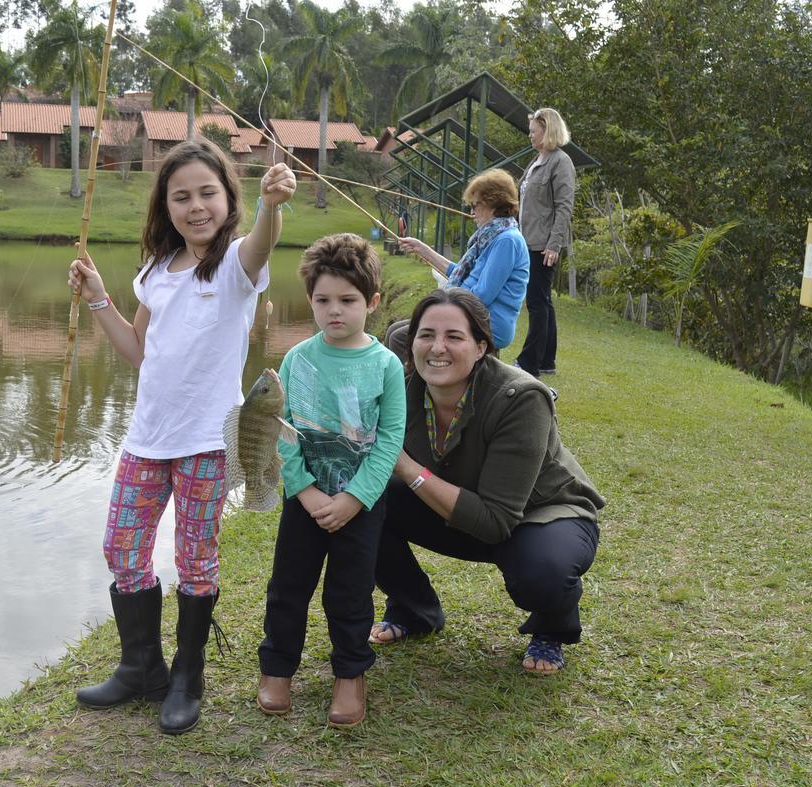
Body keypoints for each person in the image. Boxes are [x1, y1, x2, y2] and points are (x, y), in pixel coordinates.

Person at [67, 138, 296, 734]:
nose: (196, 207)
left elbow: (262, 242)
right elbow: (139, 352)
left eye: (207, 194)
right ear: (164, 207)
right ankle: (142, 666)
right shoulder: (155, 272)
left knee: (196, 559)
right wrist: (99, 301)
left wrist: (273, 205)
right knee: (123, 549)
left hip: (206, 444)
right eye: (181, 197)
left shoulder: (237, 266)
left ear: (228, 199)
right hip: (146, 439)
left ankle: (188, 675)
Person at [369, 289, 604, 674]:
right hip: (459, 502)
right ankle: (414, 610)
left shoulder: (522, 397)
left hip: (538, 514)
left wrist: (408, 468)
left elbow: (495, 521)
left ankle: (551, 625)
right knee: (361, 499)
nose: (437, 348)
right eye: (425, 335)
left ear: (481, 347)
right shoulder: (401, 386)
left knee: (543, 573)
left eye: (454, 337)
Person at [256, 234, 405, 728]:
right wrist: (305, 490)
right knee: (288, 587)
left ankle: (350, 674)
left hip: (360, 505)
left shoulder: (386, 366)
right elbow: (283, 430)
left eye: (347, 301)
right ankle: (278, 668)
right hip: (305, 498)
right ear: (310, 300)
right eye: (323, 300)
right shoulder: (297, 359)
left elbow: (389, 441)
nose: (333, 311)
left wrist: (355, 499)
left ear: (373, 303)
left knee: (350, 591)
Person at [386, 169, 529, 362]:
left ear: (493, 203)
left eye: (474, 205)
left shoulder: (506, 241)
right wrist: (422, 248)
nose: (471, 212)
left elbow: (482, 295)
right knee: (395, 330)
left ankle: (418, 389)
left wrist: (444, 305)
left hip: (489, 323)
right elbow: (460, 273)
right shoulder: (491, 236)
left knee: (400, 338)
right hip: (470, 314)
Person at [515, 107, 575, 378]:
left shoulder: (560, 162)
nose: (530, 135)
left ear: (547, 130)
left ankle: (530, 362)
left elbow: (564, 207)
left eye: (534, 131)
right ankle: (547, 360)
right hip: (527, 239)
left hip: (542, 244)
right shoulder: (538, 159)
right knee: (543, 301)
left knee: (537, 303)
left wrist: (554, 244)